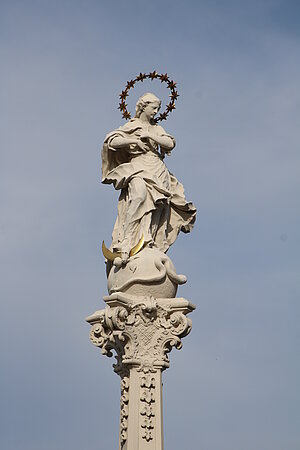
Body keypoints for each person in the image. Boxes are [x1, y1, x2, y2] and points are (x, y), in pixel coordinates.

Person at [102, 92, 196, 262]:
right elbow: (111, 141)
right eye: (153, 108)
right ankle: (126, 240)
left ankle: (147, 239)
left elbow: (170, 144)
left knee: (156, 205)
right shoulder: (132, 125)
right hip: (137, 167)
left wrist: (151, 136)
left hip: (157, 168)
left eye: (158, 109)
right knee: (139, 196)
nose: (156, 112)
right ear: (143, 107)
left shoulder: (156, 128)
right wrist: (133, 141)